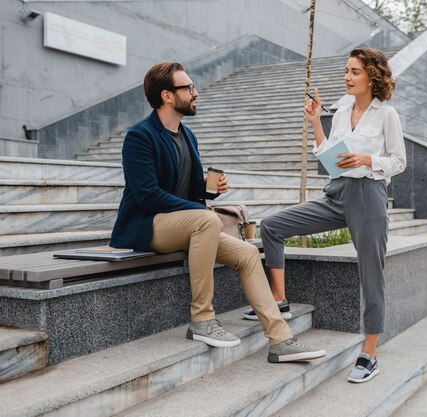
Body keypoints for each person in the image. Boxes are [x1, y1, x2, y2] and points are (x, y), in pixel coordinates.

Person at [109, 62, 325, 363]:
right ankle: (202, 318)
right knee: (206, 219)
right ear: (167, 96)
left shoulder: (188, 136)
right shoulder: (140, 136)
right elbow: (147, 196)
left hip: (186, 223)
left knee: (248, 254)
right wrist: (201, 210)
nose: (195, 93)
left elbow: (186, 193)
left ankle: (281, 340)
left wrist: (209, 191)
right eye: (188, 88)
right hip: (148, 225)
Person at [244, 48, 406, 383]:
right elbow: (329, 156)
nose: (347, 77)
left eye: (355, 71)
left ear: (372, 76)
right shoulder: (344, 108)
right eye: (346, 70)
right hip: (336, 194)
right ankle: (280, 299)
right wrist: (316, 120)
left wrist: (366, 160)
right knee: (273, 226)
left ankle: (369, 354)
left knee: (371, 275)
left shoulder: (386, 114)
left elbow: (399, 161)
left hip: (368, 198)